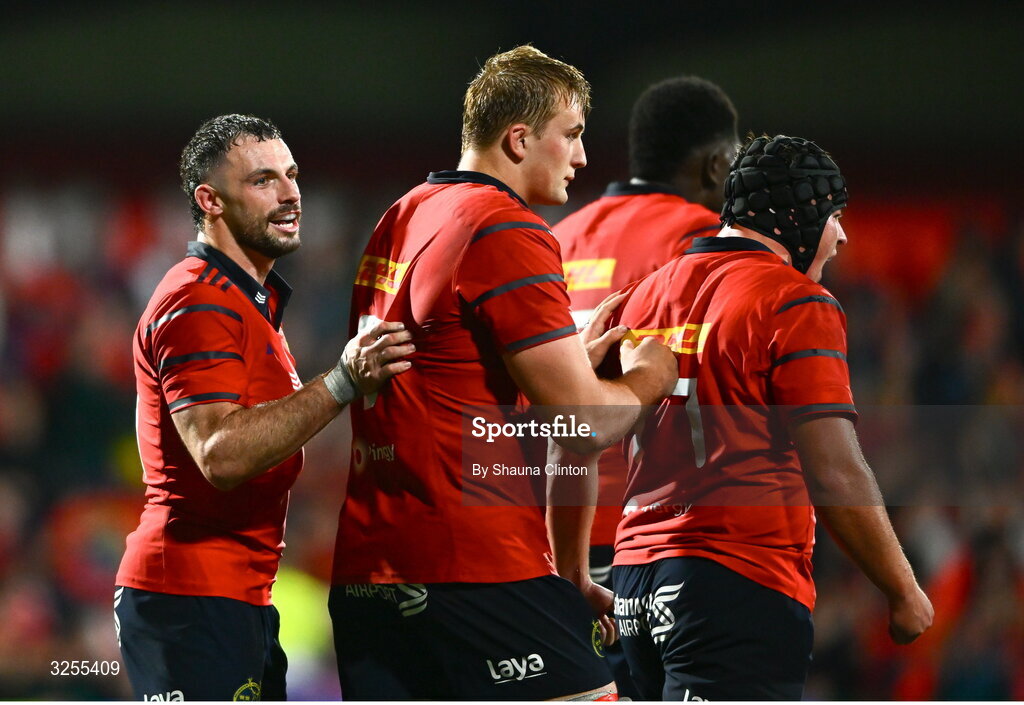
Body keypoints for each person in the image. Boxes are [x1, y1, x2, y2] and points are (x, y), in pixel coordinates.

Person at [328, 46, 677, 700]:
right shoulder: (504, 228)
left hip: (369, 576)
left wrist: (562, 349)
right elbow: (584, 422)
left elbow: (440, 367)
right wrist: (648, 377)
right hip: (472, 569)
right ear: (519, 139)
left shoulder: (399, 218)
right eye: (570, 136)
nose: (581, 158)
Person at [571, 134, 934, 700]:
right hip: (735, 583)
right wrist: (904, 590)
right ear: (801, 216)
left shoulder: (640, 296)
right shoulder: (794, 302)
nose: (841, 237)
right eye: (836, 217)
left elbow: (574, 434)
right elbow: (835, 470)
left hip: (634, 588)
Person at [114, 114, 413, 700]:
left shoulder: (246, 304)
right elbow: (219, 454)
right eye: (262, 180)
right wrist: (343, 382)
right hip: (190, 598)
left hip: (231, 597)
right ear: (211, 200)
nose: (290, 193)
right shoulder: (199, 299)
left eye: (292, 175)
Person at [552, 76, 738, 698]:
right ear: (717, 163)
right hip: (656, 541)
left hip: (552, 539)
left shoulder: (557, 238)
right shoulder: (701, 240)